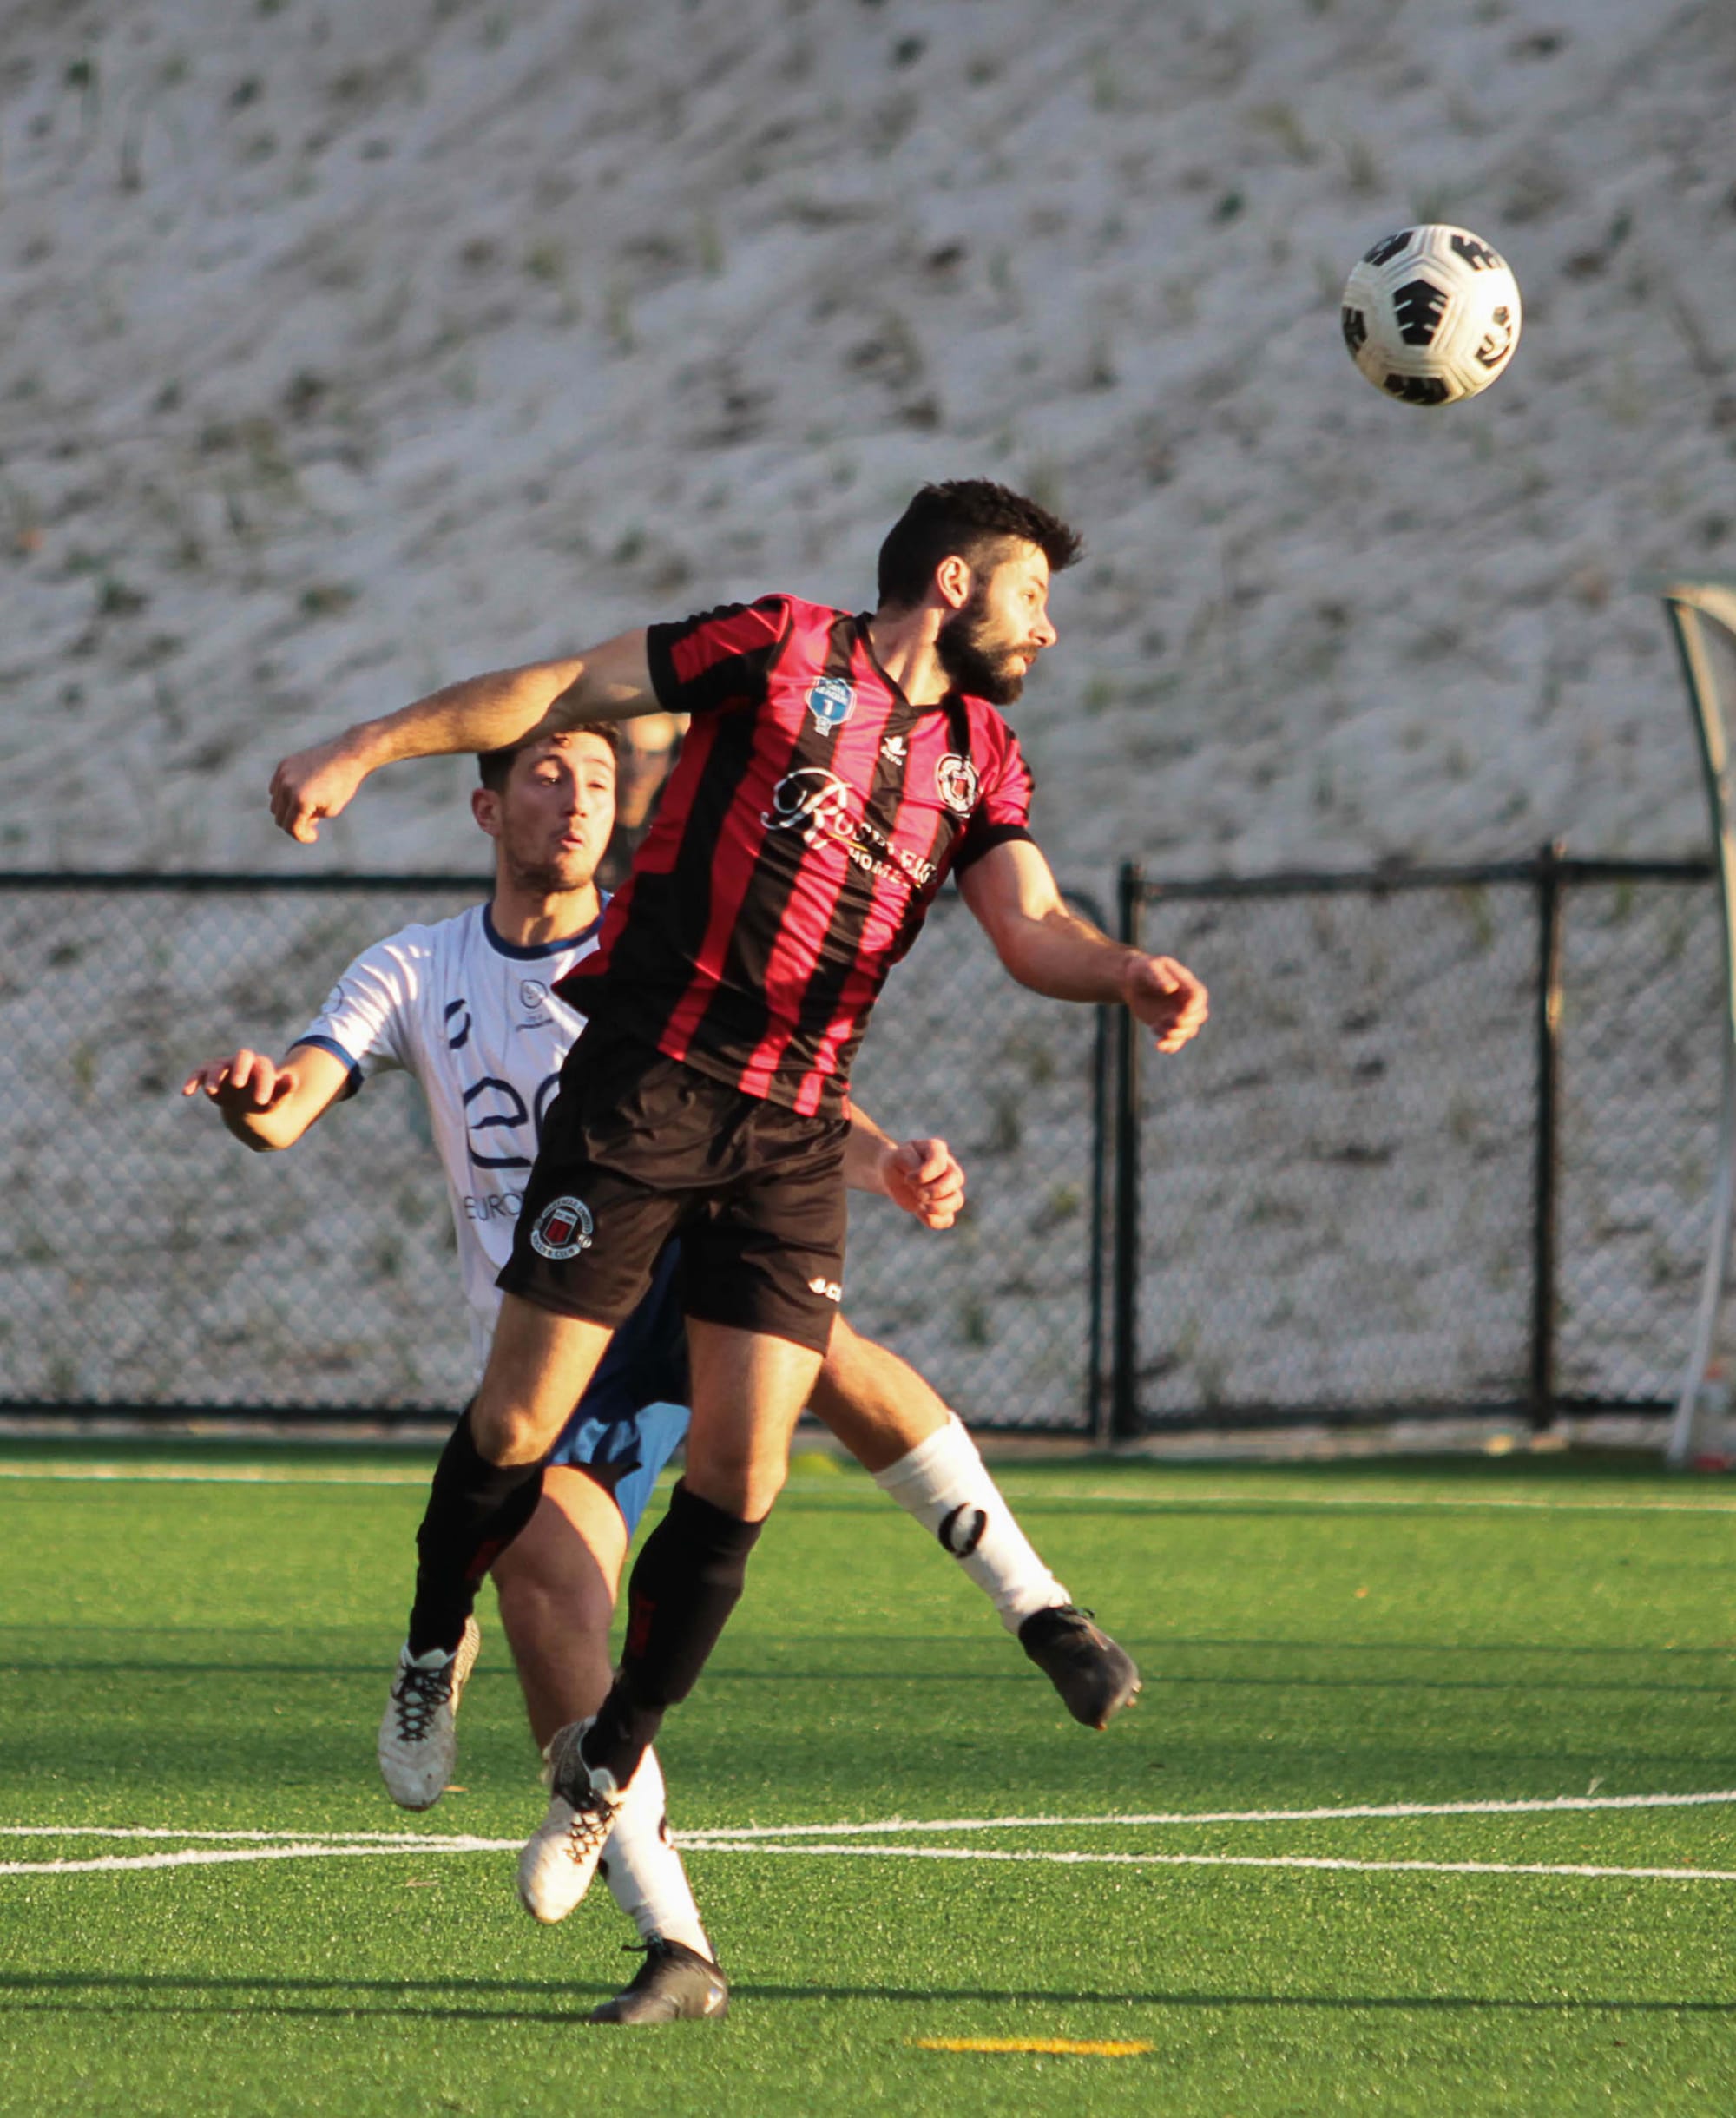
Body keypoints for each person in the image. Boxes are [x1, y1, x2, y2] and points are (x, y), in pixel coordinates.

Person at [266, 477, 1208, 1933]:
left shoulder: (983, 758)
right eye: (1035, 594)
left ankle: (607, 1766)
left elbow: (1029, 924)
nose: (1052, 628)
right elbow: (563, 683)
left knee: (746, 1479)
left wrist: (1125, 972)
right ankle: (427, 1633)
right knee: (514, 1430)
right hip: (647, 1093)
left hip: (786, 1133)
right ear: (952, 584)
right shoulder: (776, 651)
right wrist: (367, 743)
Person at [194, 714, 1142, 2023]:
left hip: (683, 1278)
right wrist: (258, 1099)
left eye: (599, 778)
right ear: (486, 813)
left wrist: (889, 1161)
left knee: (820, 1352)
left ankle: (1039, 1607)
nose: (578, 799)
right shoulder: (414, 969)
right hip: (557, 1340)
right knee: (541, 1584)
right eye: (544, 774)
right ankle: (675, 1943)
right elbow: (297, 1097)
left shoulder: (661, 948)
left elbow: (789, 1087)